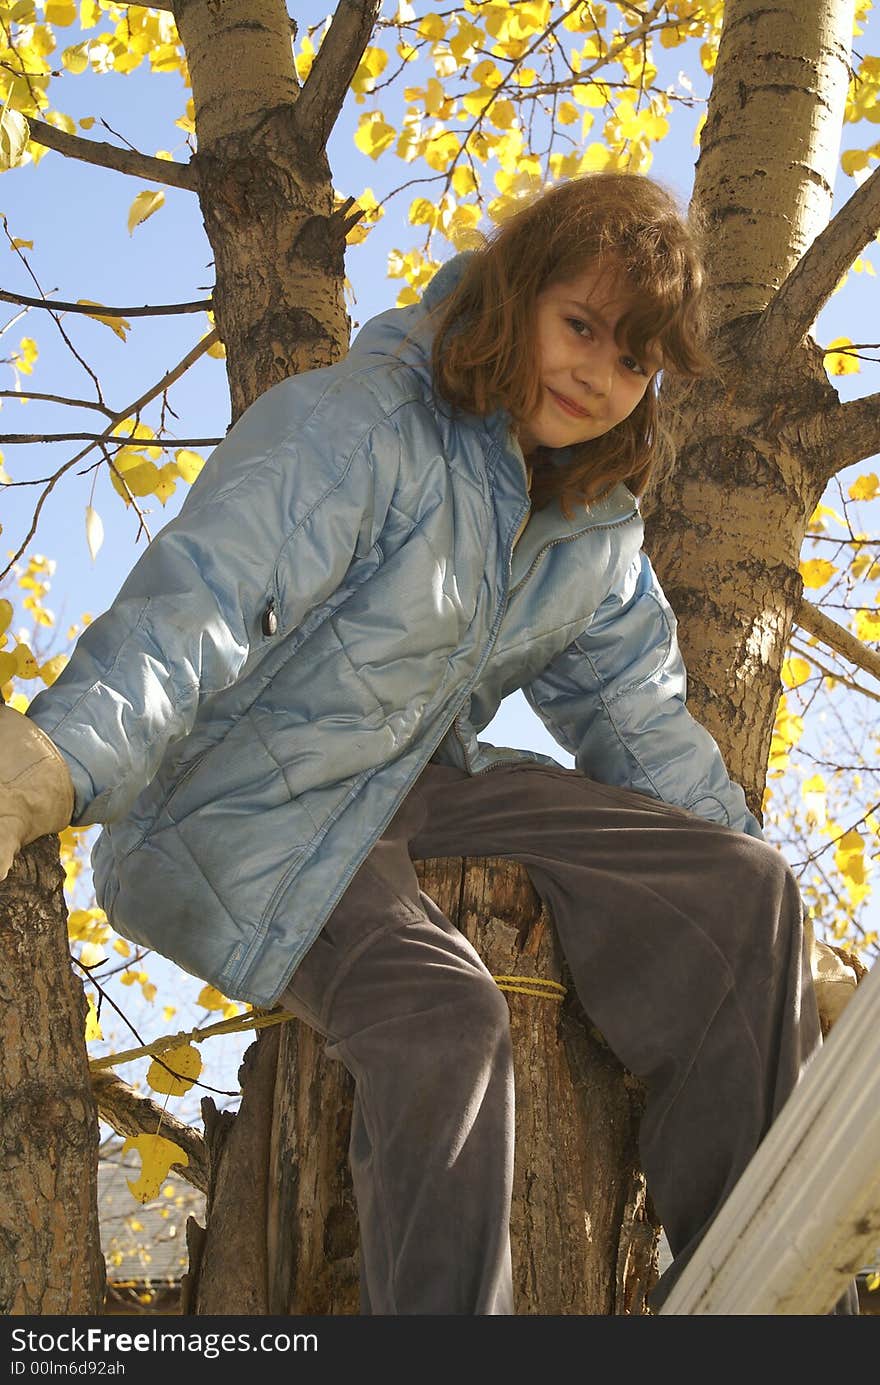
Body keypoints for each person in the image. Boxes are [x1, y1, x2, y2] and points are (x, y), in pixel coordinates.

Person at [0, 172, 859, 1315]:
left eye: (634, 357)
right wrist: (60, 758)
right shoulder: (359, 423)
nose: (597, 373)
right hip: (237, 803)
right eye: (581, 325)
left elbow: (641, 725)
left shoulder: (588, 526)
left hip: (408, 782)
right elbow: (205, 599)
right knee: (446, 1015)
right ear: (515, 294)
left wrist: (791, 961)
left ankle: (764, 1303)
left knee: (741, 886)